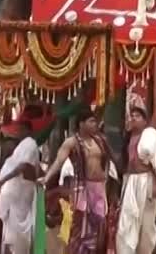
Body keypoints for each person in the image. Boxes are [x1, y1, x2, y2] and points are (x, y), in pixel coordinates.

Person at [43, 106, 115, 254]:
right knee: (79, 228)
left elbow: (111, 162)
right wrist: (46, 177)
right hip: (82, 188)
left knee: (99, 227)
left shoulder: (101, 140)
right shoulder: (72, 142)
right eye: (91, 121)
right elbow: (59, 161)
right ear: (81, 124)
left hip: (100, 189)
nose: (95, 124)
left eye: (95, 121)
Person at [117, 106, 156, 254]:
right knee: (127, 222)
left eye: (137, 116)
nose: (133, 119)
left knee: (146, 223)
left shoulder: (150, 138)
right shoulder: (128, 138)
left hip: (146, 181)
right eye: (131, 116)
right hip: (131, 182)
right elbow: (123, 164)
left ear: (145, 121)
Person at [0, 120, 40, 254]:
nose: (18, 132)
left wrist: (2, 180)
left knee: (19, 230)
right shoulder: (22, 145)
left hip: (20, 191)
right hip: (14, 193)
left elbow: (23, 166)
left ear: (28, 130)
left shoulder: (29, 144)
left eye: (21, 129)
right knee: (10, 229)